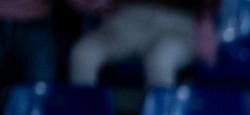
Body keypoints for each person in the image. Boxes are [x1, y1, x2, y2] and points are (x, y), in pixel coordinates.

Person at [69, 0, 218, 87]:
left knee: (160, 61)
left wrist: (207, 20)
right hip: (132, 16)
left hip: (178, 21)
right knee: (83, 54)